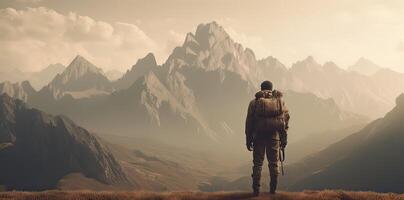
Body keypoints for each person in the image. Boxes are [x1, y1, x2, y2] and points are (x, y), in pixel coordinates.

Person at [245, 80, 290, 196]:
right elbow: (285, 121)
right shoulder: (279, 102)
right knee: (274, 163)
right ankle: (273, 190)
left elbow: (249, 122)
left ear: (261, 88)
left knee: (258, 164)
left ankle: (256, 190)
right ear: (271, 88)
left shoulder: (254, 102)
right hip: (274, 137)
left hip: (258, 136)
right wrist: (284, 139)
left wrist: (248, 139)